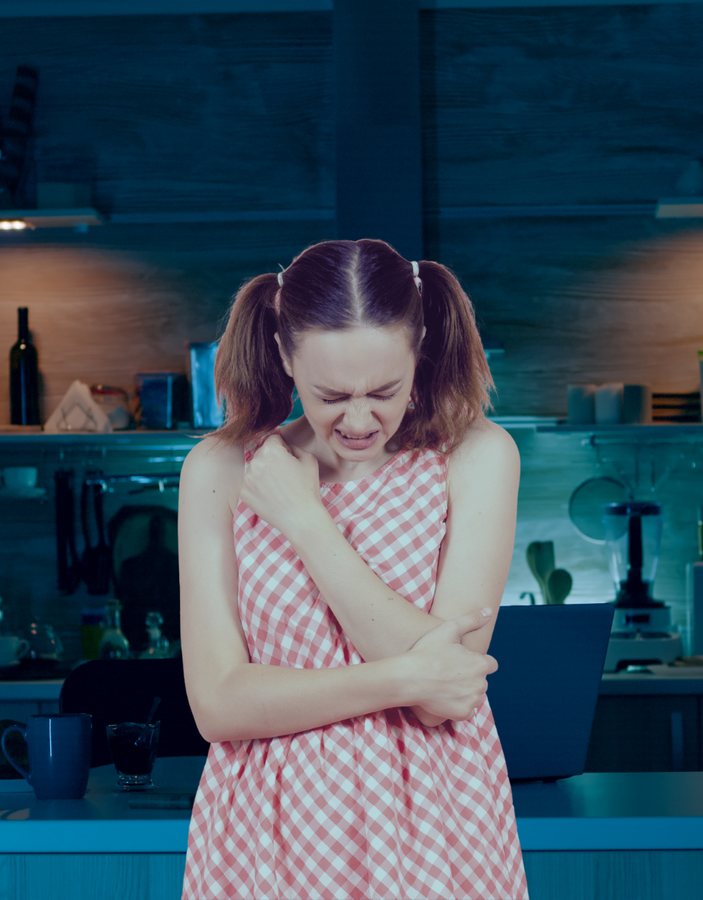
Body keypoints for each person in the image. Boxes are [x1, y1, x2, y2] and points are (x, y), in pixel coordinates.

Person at [179, 239, 527, 899]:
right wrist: (403, 675)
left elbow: (445, 694)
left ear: (419, 344)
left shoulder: (477, 456)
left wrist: (306, 522)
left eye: (385, 390)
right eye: (331, 394)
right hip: (270, 826)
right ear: (285, 356)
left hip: (435, 816)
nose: (361, 419)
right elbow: (219, 706)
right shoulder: (220, 470)